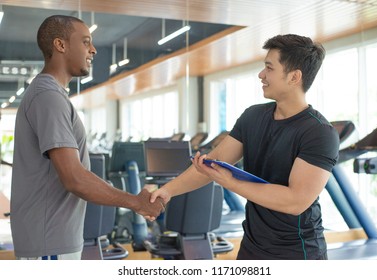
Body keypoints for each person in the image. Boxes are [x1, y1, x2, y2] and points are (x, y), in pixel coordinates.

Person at [151, 34, 340, 260]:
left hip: (297, 251)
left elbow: (295, 201)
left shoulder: (319, 132)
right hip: (252, 246)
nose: (261, 75)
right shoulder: (253, 116)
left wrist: (230, 182)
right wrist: (167, 191)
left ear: (294, 77)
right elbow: (214, 162)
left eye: (269, 68)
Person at [10, 15, 163, 260]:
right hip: (49, 243)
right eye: (85, 42)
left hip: (54, 239)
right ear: (60, 45)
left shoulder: (53, 95)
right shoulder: (48, 97)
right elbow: (74, 178)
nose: (92, 50)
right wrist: (136, 202)